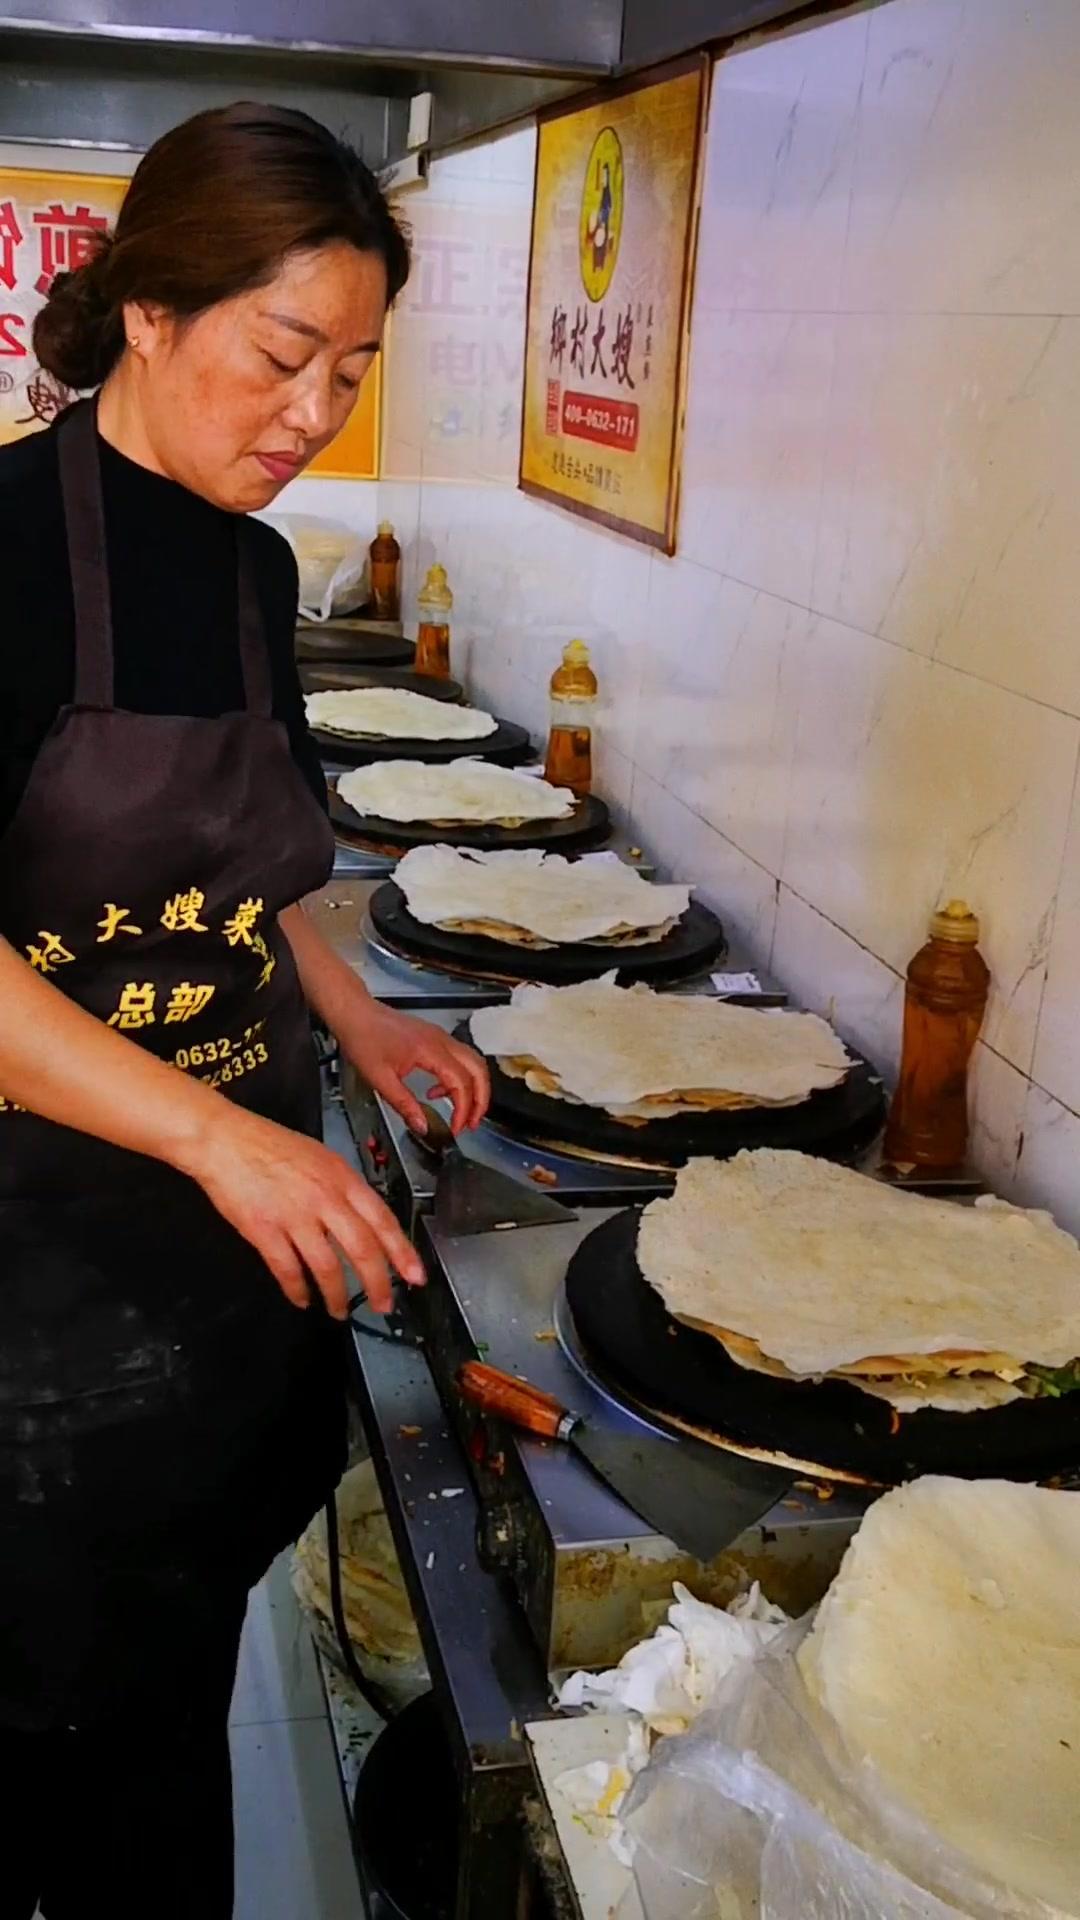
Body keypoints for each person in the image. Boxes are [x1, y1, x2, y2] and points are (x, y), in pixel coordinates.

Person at [0, 101, 488, 1917]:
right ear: (148, 310)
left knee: (162, 1711)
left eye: (350, 374)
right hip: (33, 1296)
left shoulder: (253, 564)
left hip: (216, 1271)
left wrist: (351, 1016)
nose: (312, 416)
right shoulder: (8, 553)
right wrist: (219, 1132)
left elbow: (238, 870)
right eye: (285, 356)